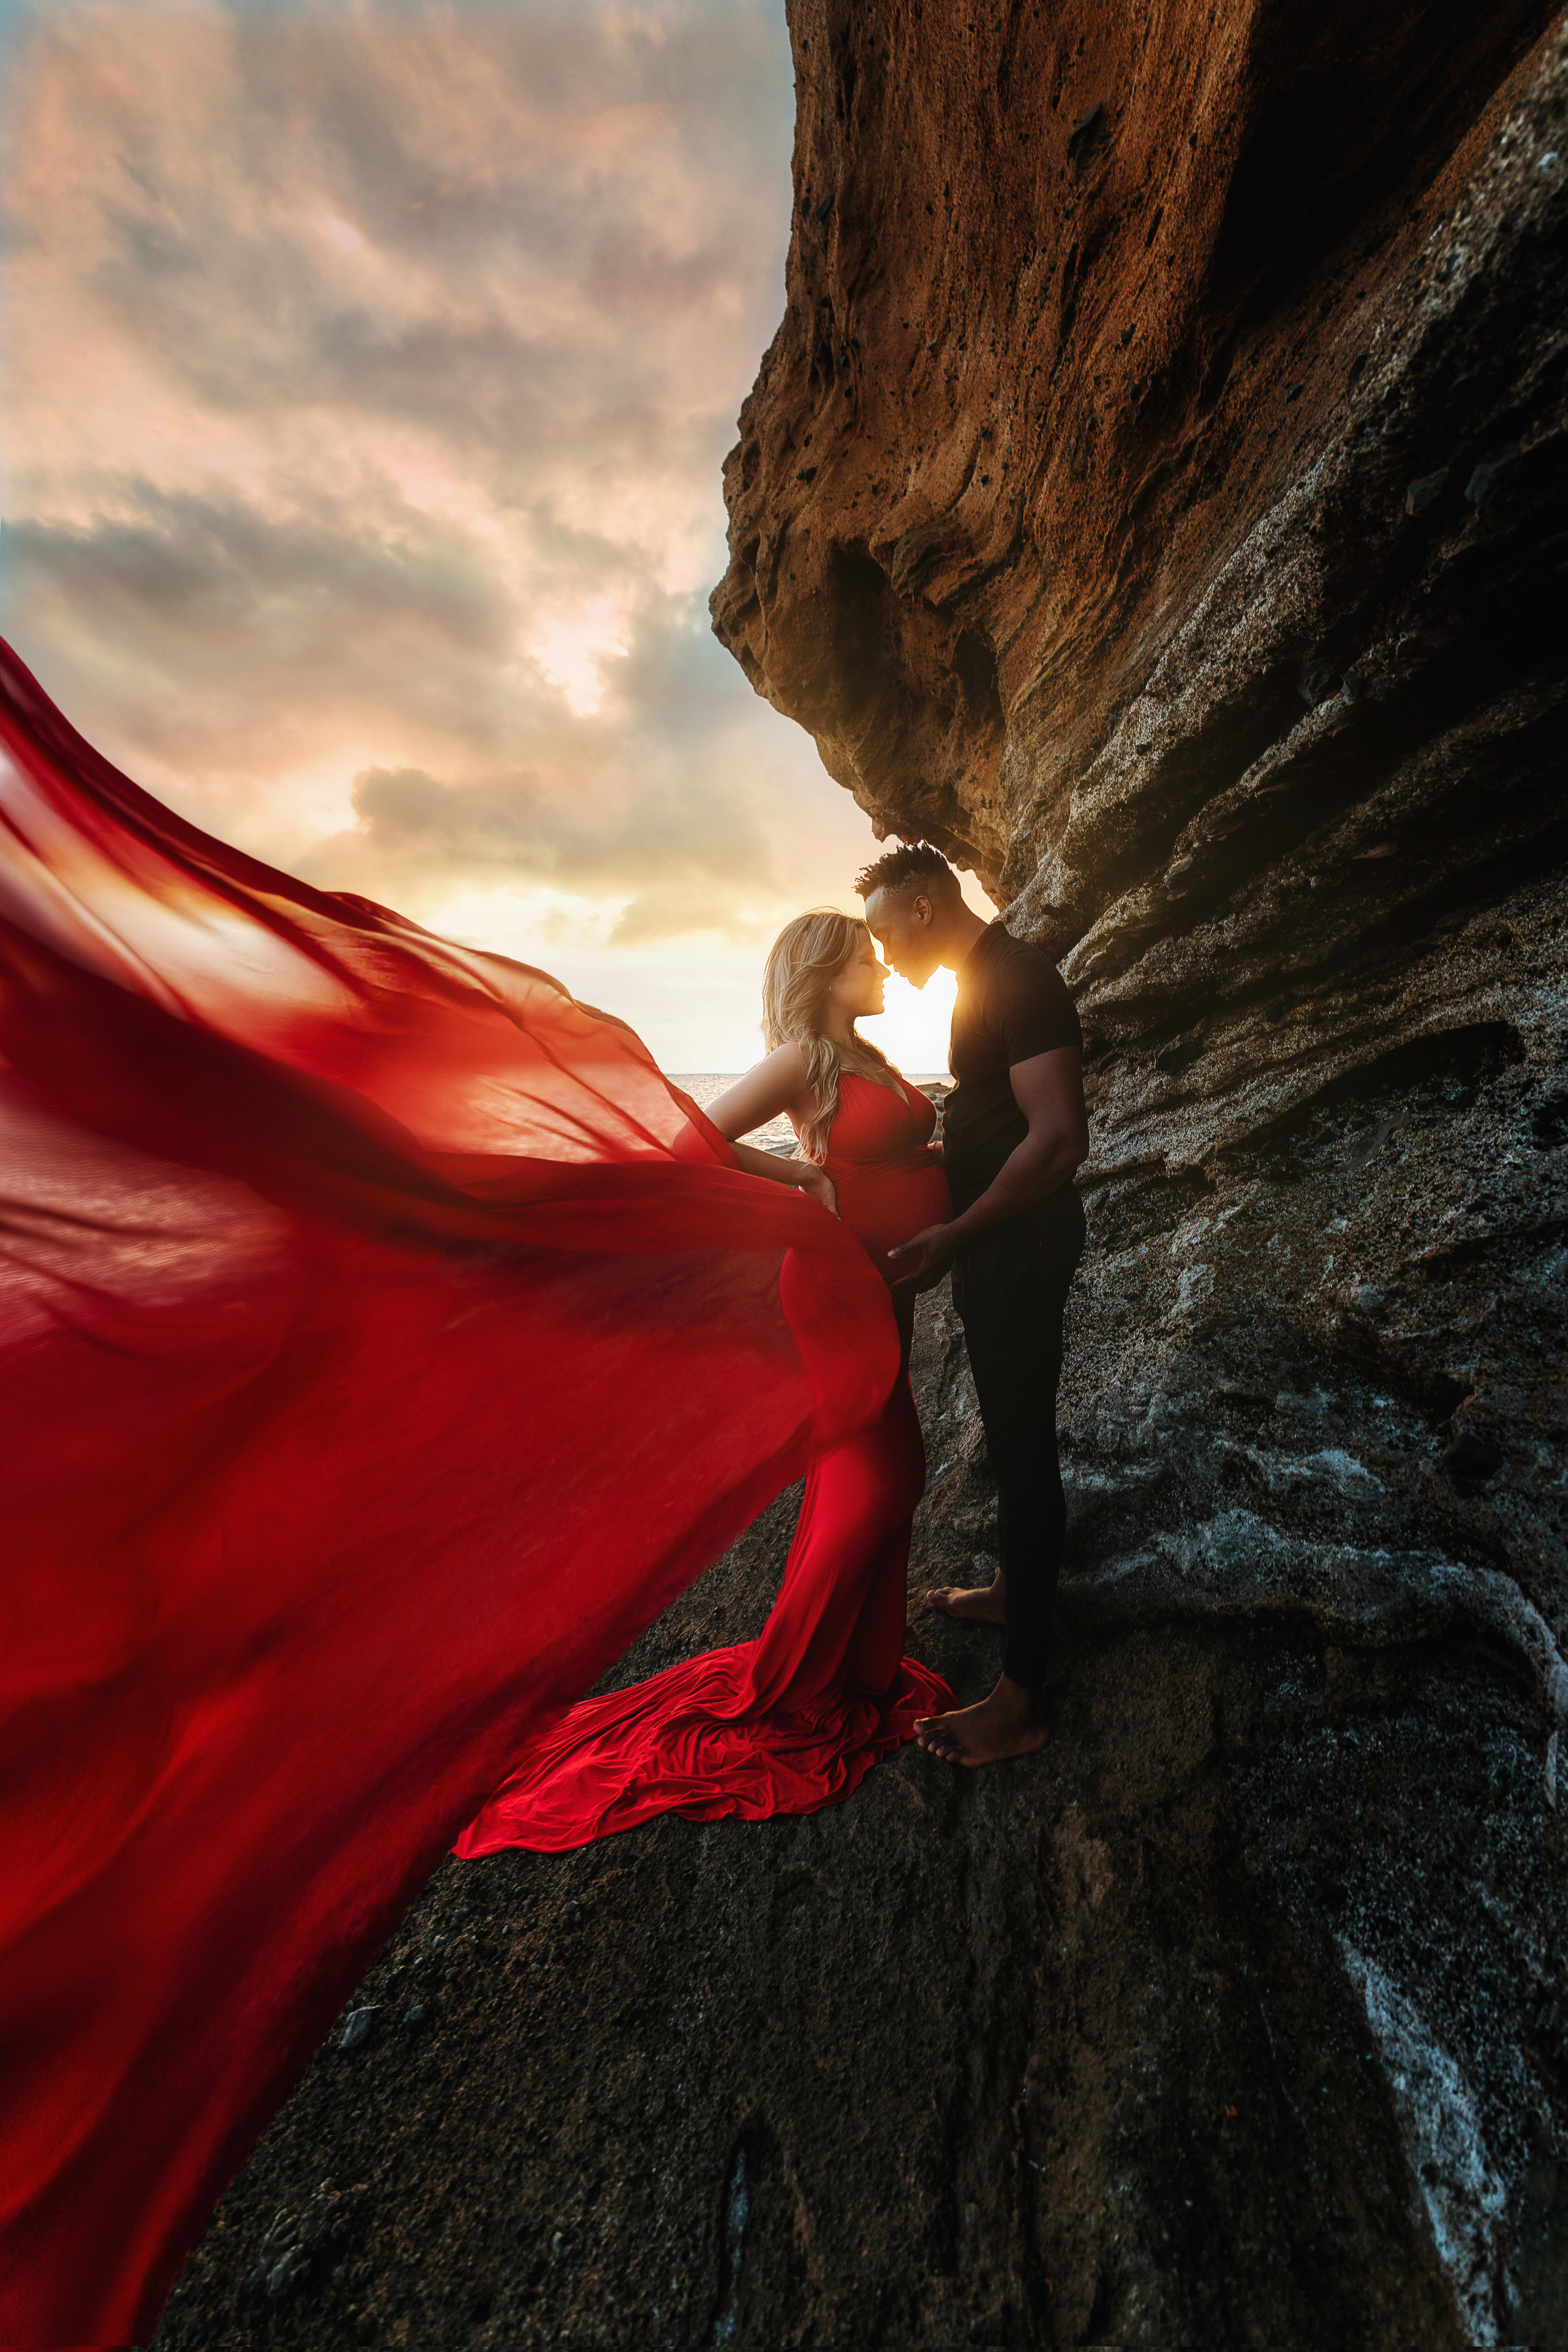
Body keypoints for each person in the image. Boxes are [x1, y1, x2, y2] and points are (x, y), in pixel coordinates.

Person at [455, 907, 956, 1855]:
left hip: (891, 1287)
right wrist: (801, 1186)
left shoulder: (873, 1056)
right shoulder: (803, 1058)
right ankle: (803, 1688)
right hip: (835, 1284)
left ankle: (862, 1670)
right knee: (880, 1479)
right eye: (865, 958)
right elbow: (693, 1140)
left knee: (882, 1476)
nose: (883, 968)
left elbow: (895, 1153)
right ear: (824, 972)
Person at [857, 843, 1089, 1768]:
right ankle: (1010, 1585)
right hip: (996, 1247)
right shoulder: (977, 978)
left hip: (1020, 1248)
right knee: (1006, 1428)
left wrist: (958, 1232)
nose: (882, 956)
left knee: (1026, 1453)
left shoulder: (1020, 977)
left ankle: (1022, 1699)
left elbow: (1060, 1138)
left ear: (921, 906)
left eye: (882, 932)